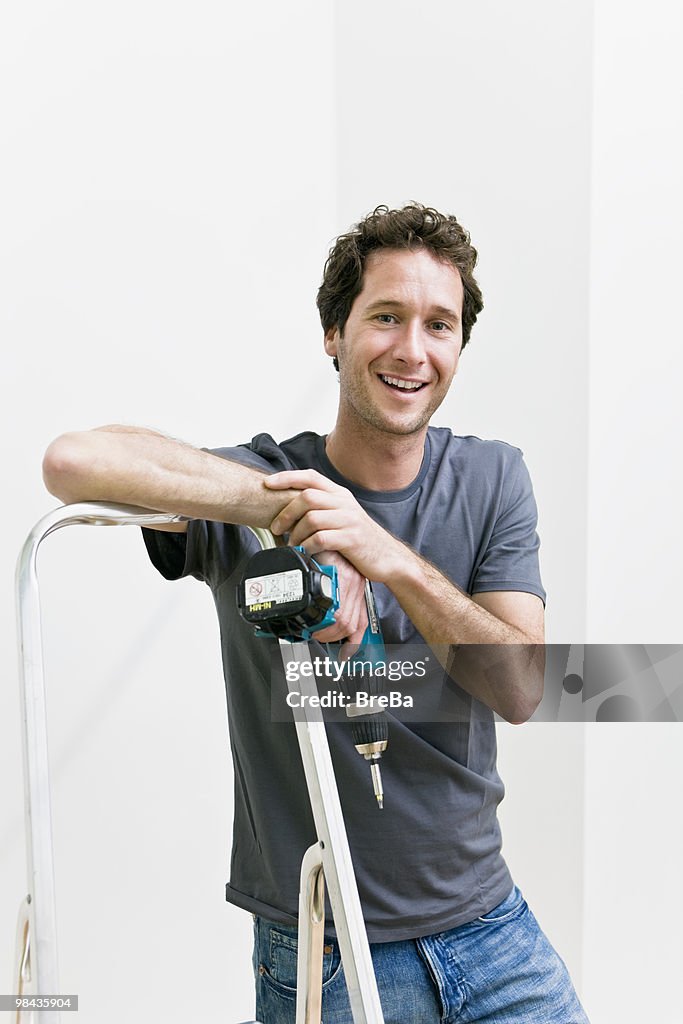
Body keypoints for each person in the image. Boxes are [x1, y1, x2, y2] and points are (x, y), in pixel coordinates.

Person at [42, 203, 589, 1023]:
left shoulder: (492, 479)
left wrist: (385, 555)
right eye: (385, 317)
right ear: (333, 333)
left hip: (491, 933)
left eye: (438, 325)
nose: (412, 349)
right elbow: (73, 461)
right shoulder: (257, 482)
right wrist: (283, 507)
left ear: (458, 348)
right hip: (324, 953)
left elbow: (520, 690)